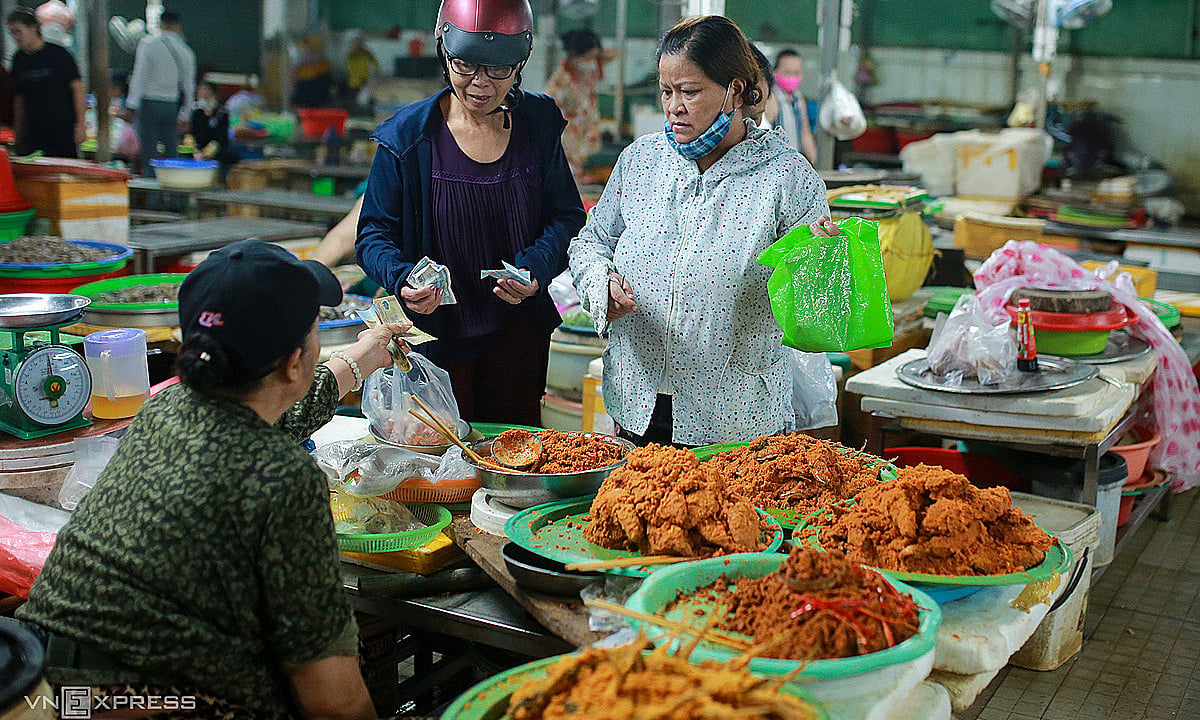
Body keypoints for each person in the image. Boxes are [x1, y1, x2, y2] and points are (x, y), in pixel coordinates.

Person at [17, 239, 410, 720]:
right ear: (293, 361)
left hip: (46, 685)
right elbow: (333, 698)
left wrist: (359, 359)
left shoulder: (165, 408)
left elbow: (267, 416)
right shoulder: (285, 479)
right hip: (142, 702)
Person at [568, 15, 839, 447]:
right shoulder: (642, 162)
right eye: (666, 91)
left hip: (736, 418)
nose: (674, 105)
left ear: (734, 88)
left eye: (690, 92)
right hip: (638, 405)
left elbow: (816, 312)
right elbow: (591, 242)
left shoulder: (785, 178)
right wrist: (600, 285)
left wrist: (823, 266)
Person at [357, 0, 586, 428]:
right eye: (464, 66)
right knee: (439, 463)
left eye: (499, 69)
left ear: (520, 63)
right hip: (434, 343)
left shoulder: (537, 123)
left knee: (512, 456)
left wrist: (535, 271)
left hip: (517, 340)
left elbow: (566, 217)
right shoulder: (408, 138)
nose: (480, 83)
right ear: (445, 54)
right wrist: (403, 277)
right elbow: (372, 235)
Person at [6, 7, 84, 158]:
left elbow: (77, 88)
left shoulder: (59, 55)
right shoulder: (19, 60)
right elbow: (19, 98)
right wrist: (17, 131)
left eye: (18, 31)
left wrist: (80, 125)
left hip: (61, 130)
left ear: (33, 28)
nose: (16, 37)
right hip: (32, 132)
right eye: (12, 33)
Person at [126, 9, 196, 173]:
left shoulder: (148, 45)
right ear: (178, 27)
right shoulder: (186, 52)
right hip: (172, 106)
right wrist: (186, 114)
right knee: (172, 152)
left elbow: (139, 77)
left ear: (160, 24)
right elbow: (189, 87)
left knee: (149, 154)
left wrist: (131, 105)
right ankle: (174, 196)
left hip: (149, 105)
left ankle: (152, 197)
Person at [542, 28, 616, 182]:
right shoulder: (561, 81)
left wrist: (597, 51)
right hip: (566, 150)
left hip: (584, 147)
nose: (593, 63)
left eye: (595, 58)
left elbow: (616, 54)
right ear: (575, 57)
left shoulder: (586, 75)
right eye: (589, 58)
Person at [771, 49, 817, 161]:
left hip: (793, 162)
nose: (791, 77)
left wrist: (813, 161)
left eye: (796, 73)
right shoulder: (771, 97)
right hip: (775, 163)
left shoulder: (798, 98)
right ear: (775, 71)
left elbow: (805, 132)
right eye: (787, 72)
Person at [190, 80, 238, 181]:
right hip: (197, 150)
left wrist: (208, 152)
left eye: (206, 92)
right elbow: (192, 134)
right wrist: (195, 150)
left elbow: (221, 138)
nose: (203, 95)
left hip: (218, 150)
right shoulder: (196, 112)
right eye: (200, 93)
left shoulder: (222, 113)